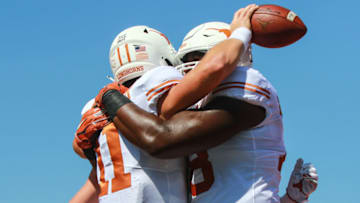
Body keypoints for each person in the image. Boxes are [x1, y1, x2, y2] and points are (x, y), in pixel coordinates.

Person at [91, 15, 318, 203]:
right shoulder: (197, 111)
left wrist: (110, 99)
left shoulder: (248, 82)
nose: (192, 70)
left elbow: (160, 139)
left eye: (201, 57)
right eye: (188, 61)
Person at [72, 4, 259, 203]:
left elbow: (91, 170)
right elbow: (162, 128)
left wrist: (89, 151)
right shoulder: (160, 79)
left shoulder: (97, 106)